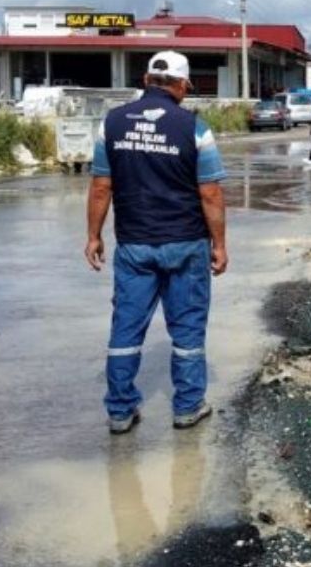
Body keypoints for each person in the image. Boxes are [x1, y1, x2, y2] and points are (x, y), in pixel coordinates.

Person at [84, 51, 229, 434]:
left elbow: (101, 186)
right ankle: (187, 406)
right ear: (181, 85)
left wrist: (94, 236)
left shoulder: (111, 124)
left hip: (134, 245)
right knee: (187, 329)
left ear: (147, 80)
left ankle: (119, 411)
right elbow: (210, 194)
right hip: (186, 243)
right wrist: (219, 244)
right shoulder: (195, 128)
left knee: (126, 329)